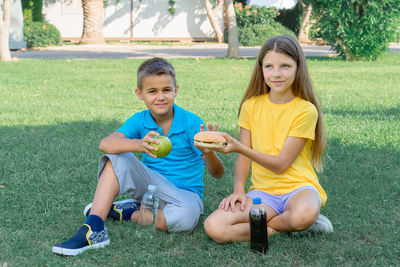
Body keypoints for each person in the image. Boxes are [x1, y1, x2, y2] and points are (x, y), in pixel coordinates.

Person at [52, 57, 224, 256]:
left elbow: (218, 173)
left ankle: (128, 212)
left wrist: (209, 154)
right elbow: (105, 144)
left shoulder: (191, 122)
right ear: (139, 94)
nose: (160, 97)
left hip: (184, 195)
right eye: (152, 91)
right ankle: (94, 227)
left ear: (176, 90)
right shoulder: (139, 120)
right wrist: (139, 144)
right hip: (150, 187)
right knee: (117, 155)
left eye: (166, 90)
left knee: (186, 219)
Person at [204, 35, 333, 243]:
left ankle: (293, 222)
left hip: (299, 188)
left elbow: (281, 164)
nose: (276, 74)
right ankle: (282, 227)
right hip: (263, 193)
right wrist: (238, 191)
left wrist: (238, 148)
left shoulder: (305, 110)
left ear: (298, 67)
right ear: (261, 68)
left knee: (304, 213)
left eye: (285, 66)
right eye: (269, 66)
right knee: (214, 227)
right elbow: (244, 159)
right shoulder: (251, 106)